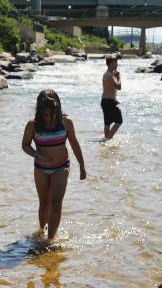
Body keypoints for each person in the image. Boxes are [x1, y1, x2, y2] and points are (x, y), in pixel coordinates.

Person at [20, 89, 87, 241]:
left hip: (61, 167)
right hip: (41, 169)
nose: (48, 117)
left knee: (56, 203)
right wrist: (36, 155)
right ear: (39, 111)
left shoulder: (66, 122)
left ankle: (50, 240)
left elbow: (75, 144)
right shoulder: (33, 125)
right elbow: (25, 145)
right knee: (44, 203)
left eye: (51, 113)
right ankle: (41, 231)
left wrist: (82, 166)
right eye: (44, 114)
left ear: (58, 109)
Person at [101, 55, 122, 140]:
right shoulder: (109, 75)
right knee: (119, 121)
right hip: (109, 101)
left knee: (107, 123)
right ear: (110, 64)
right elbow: (118, 87)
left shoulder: (108, 74)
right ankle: (109, 138)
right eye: (115, 62)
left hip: (106, 101)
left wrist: (116, 76)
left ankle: (106, 138)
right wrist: (119, 77)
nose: (117, 64)